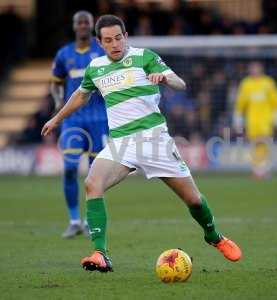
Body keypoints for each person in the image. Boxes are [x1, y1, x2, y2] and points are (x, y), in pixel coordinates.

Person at [42, 14, 241, 272]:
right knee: (92, 183)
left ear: (125, 37)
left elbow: (180, 83)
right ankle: (100, 253)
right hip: (121, 144)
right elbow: (81, 96)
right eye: (107, 40)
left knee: (193, 199)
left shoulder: (144, 57)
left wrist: (165, 78)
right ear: (99, 43)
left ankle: (214, 236)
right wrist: (56, 118)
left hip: (155, 141)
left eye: (118, 38)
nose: (114, 44)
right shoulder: (96, 68)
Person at [51, 11, 109, 238]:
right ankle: (74, 220)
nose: (83, 26)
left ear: (92, 26)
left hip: (99, 119)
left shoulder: (102, 53)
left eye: (87, 22)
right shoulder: (64, 54)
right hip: (73, 120)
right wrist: (58, 102)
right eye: (80, 23)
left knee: (97, 174)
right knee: (70, 168)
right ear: (74, 26)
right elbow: (55, 83)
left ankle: (88, 221)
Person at [233, 62, 277, 178]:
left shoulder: (268, 83)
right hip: (252, 121)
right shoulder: (246, 84)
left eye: (256, 68)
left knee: (265, 144)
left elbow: (276, 101)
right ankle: (257, 171)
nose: (254, 70)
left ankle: (265, 170)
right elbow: (240, 103)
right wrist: (238, 118)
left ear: (261, 69)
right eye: (252, 68)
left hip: (266, 121)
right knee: (254, 146)